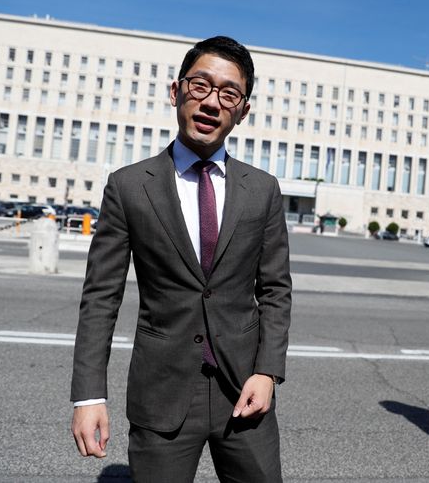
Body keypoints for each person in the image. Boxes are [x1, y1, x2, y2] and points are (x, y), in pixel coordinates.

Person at [70, 36, 292, 482]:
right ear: (176, 92)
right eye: (200, 86)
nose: (212, 101)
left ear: (242, 112)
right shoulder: (130, 187)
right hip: (162, 392)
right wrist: (88, 396)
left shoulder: (262, 190)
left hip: (244, 389)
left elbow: (275, 290)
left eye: (229, 93)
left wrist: (268, 371)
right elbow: (101, 297)